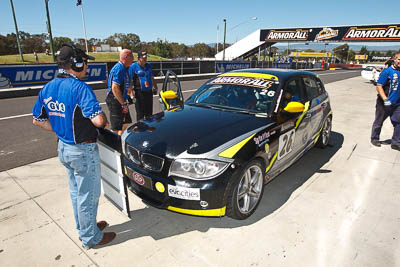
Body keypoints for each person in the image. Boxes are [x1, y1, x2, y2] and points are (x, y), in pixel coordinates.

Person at [32, 43, 115, 249]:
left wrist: (62, 130)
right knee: (88, 195)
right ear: (76, 64)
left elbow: (38, 120)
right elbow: (98, 121)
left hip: (63, 148)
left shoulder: (47, 87)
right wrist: (105, 120)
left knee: (77, 192)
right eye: (84, 62)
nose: (86, 67)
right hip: (82, 151)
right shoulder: (80, 88)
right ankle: (91, 238)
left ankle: (84, 227)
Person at [372, 52, 400, 149]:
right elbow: (379, 86)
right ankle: (374, 138)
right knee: (379, 121)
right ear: (395, 59)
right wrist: (385, 99)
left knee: (398, 122)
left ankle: (396, 142)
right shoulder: (387, 71)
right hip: (384, 103)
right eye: (399, 59)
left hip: (397, 104)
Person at [106, 49, 134, 135]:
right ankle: (113, 143)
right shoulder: (119, 68)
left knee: (125, 122)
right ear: (126, 57)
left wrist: (130, 96)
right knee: (116, 127)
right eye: (131, 57)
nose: (133, 59)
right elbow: (115, 88)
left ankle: (119, 139)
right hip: (114, 100)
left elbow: (127, 84)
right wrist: (123, 104)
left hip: (121, 99)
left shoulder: (125, 68)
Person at [129, 50, 158, 121]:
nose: (145, 59)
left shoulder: (148, 65)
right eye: (143, 57)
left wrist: (155, 87)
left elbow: (152, 77)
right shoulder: (133, 67)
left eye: (146, 57)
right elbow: (130, 81)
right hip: (139, 93)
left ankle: (149, 129)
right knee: (140, 114)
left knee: (149, 114)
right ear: (139, 58)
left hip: (149, 92)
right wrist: (131, 94)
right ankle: (140, 130)